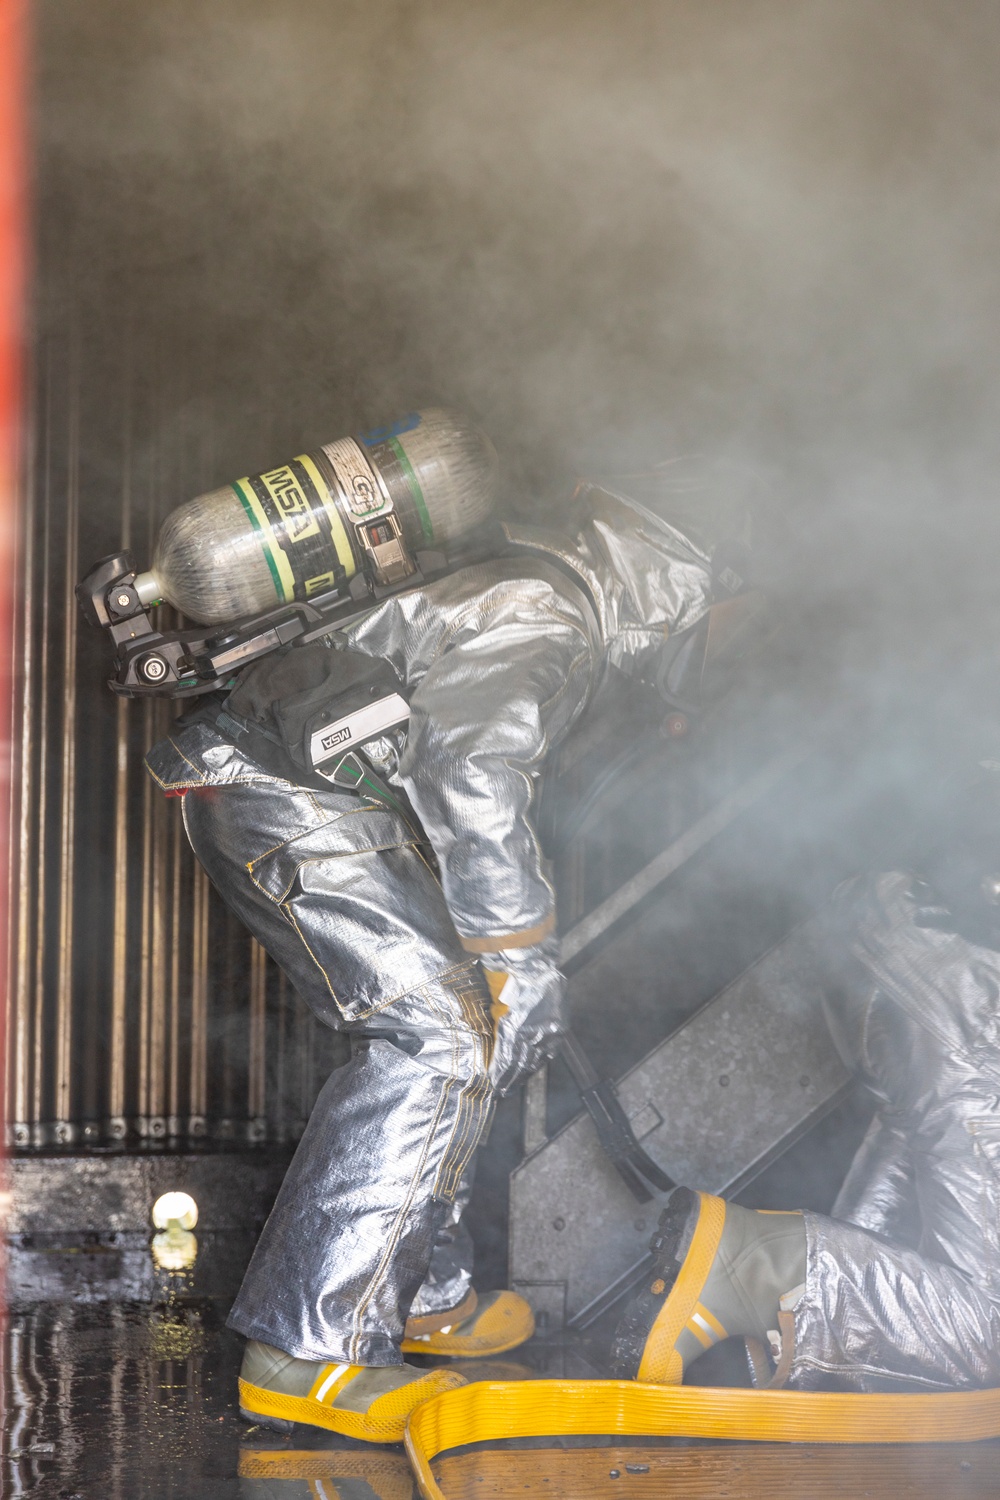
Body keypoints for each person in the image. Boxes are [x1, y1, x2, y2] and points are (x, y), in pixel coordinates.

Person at [145, 460, 751, 1442]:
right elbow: (468, 775)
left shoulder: (533, 578)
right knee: (435, 1040)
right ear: (676, 578)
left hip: (296, 787)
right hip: (287, 799)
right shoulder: (542, 608)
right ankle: (309, 1349)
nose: (720, 641)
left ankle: (422, 1290)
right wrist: (518, 952)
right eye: (724, 610)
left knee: (467, 1031)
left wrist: (504, 965)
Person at [613, 775, 1000, 1392]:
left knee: (910, 1182)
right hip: (964, 986)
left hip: (906, 946)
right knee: (990, 1331)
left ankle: (814, 1352)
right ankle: (753, 1263)